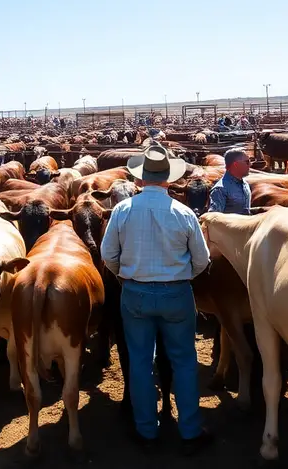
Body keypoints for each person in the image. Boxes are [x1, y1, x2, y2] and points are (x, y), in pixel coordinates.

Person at [100, 144, 213, 454]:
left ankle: (146, 430)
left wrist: (124, 275)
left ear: (141, 179)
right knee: (185, 361)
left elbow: (107, 254)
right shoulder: (184, 212)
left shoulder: (123, 210)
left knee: (139, 361)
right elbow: (202, 260)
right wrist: (183, 275)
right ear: (167, 180)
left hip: (134, 292)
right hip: (176, 293)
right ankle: (189, 430)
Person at [208, 149, 251, 215]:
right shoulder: (220, 189)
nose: (250, 164)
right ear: (236, 164)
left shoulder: (245, 184)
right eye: (247, 162)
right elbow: (214, 218)